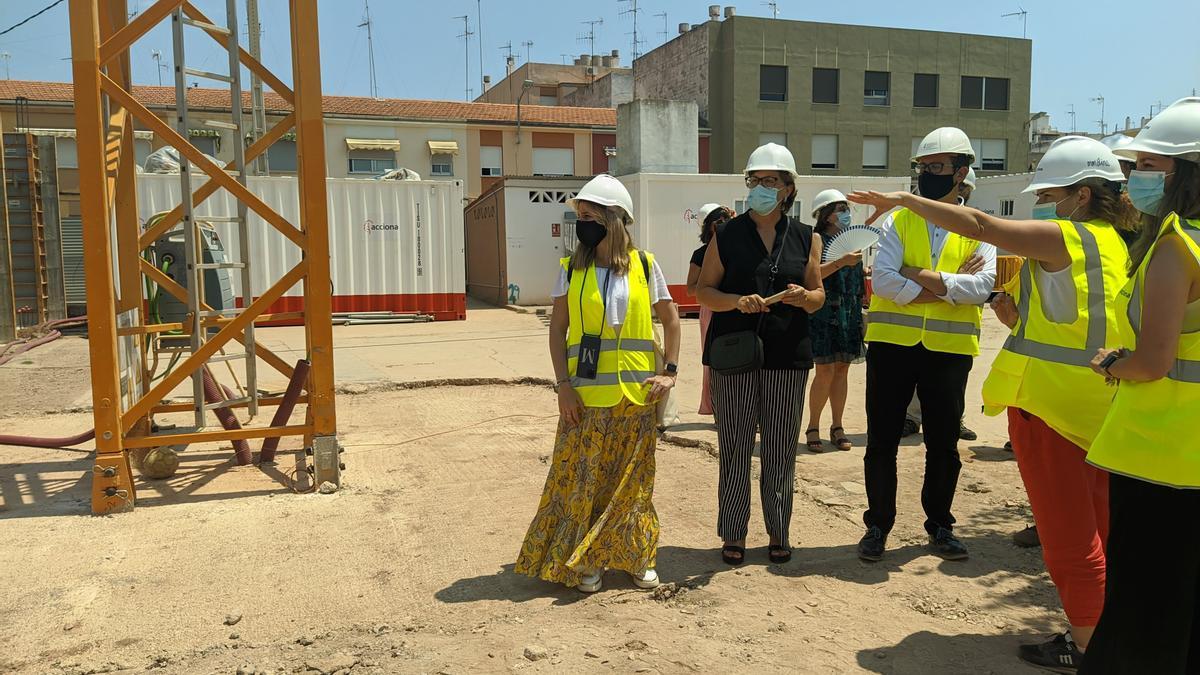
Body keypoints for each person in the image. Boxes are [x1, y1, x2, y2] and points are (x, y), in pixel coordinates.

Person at [852, 134, 1136, 672]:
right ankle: (1103, 632)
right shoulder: (1121, 244)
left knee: (1071, 541)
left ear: (1082, 195)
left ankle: (1090, 647)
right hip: (1100, 403)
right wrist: (996, 309)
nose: (1043, 205)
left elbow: (982, 235)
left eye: (1051, 195)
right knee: (1101, 529)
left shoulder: (1067, 237)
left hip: (1051, 404)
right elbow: (1047, 312)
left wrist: (903, 200)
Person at [515, 174, 682, 593]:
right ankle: (585, 559)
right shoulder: (571, 268)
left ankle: (636, 555)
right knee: (583, 480)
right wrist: (562, 386)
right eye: (580, 216)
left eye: (589, 215)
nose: (582, 223)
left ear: (614, 219)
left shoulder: (646, 265)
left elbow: (672, 319)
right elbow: (557, 331)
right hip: (584, 398)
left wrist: (671, 372)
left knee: (634, 482)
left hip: (637, 396)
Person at [1081, 96, 1200, 674]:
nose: (1135, 177)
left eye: (1150, 165)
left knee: (1142, 614)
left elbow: (1153, 362)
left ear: (1183, 172)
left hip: (1162, 455)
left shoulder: (1177, 246)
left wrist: (1111, 362)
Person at [853, 127, 996, 563]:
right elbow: (884, 281)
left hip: (949, 352)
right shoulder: (899, 219)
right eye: (923, 167)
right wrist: (952, 288)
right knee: (881, 442)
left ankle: (940, 525)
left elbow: (986, 285)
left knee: (943, 444)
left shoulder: (980, 226)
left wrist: (922, 276)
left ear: (961, 170)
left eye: (935, 167)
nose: (926, 175)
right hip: (892, 346)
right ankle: (878, 525)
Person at [697, 143, 825, 565]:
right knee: (734, 444)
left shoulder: (808, 236)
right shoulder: (727, 235)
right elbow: (705, 291)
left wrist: (805, 296)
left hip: (788, 354)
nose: (762, 188)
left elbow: (818, 294)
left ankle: (779, 531)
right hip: (733, 354)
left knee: (780, 447)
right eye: (756, 180)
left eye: (771, 181)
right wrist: (737, 302)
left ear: (789, 189)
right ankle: (733, 532)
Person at [904, 167, 981, 442]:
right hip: (918, 323)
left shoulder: (975, 228)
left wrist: (929, 279)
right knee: (916, 380)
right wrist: (954, 283)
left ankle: (955, 418)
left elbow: (978, 288)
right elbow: (897, 277)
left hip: (958, 330)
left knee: (955, 383)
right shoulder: (916, 223)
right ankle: (912, 418)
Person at [804, 189, 866, 452]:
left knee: (843, 369)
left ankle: (837, 426)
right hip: (825, 311)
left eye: (846, 208)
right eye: (840, 209)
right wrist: (842, 261)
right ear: (826, 214)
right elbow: (812, 273)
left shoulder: (850, 240)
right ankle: (813, 425)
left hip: (849, 311)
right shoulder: (816, 238)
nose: (845, 213)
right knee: (825, 370)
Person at [688, 203, 734, 417]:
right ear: (709, 226)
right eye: (719, 221)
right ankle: (717, 408)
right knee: (714, 359)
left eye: (727, 219)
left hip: (735, 307)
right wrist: (710, 286)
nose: (725, 224)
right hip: (711, 309)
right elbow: (690, 289)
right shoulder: (701, 253)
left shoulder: (737, 247)